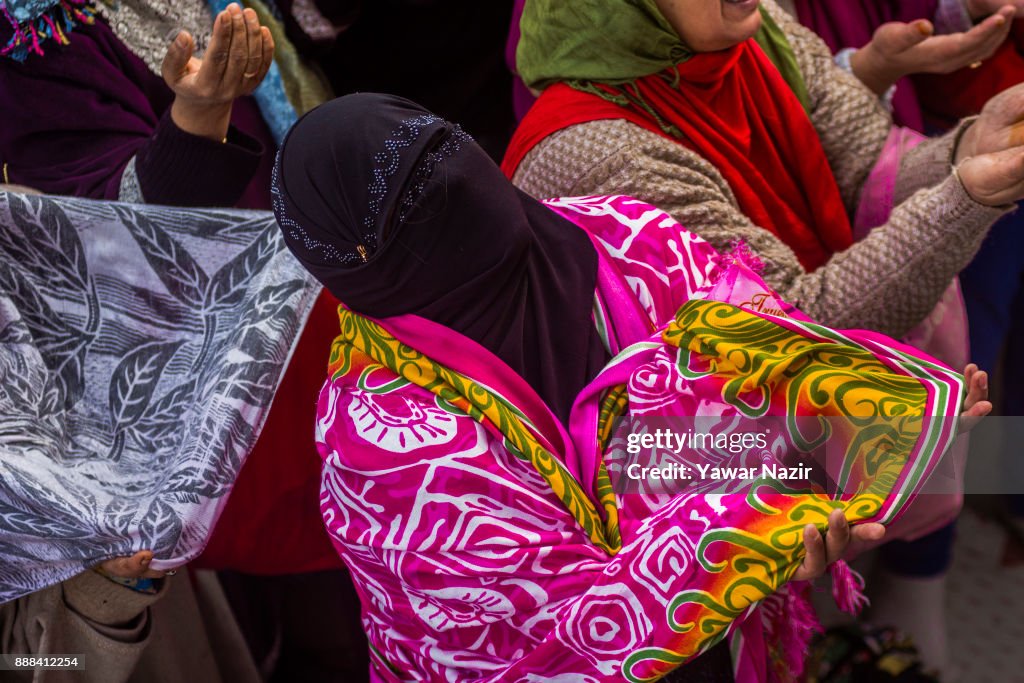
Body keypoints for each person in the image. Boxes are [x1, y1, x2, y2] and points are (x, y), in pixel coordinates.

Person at [271, 93, 988, 682]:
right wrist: (761, 524)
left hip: (722, 639)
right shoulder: (383, 440)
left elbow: (753, 379)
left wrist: (892, 421)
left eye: (441, 142)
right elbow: (568, 623)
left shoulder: (618, 236)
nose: (452, 177)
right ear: (361, 270)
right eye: (409, 197)